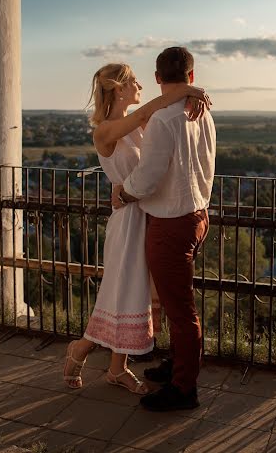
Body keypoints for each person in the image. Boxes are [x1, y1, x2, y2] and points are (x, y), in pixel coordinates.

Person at [63, 62, 210, 393]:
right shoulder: (105, 130)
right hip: (127, 220)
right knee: (122, 290)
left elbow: (154, 158)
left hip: (146, 212)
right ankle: (82, 348)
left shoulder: (137, 126)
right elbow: (151, 109)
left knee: (135, 293)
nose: (140, 85)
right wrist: (188, 88)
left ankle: (117, 369)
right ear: (119, 89)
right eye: (133, 81)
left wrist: (186, 96)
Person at [112, 46, 216, 411]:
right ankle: (178, 365)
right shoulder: (201, 112)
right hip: (198, 215)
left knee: (180, 308)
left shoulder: (163, 119)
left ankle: (185, 388)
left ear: (158, 78)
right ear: (190, 76)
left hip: (172, 222)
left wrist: (124, 193)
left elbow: (148, 177)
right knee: (176, 302)